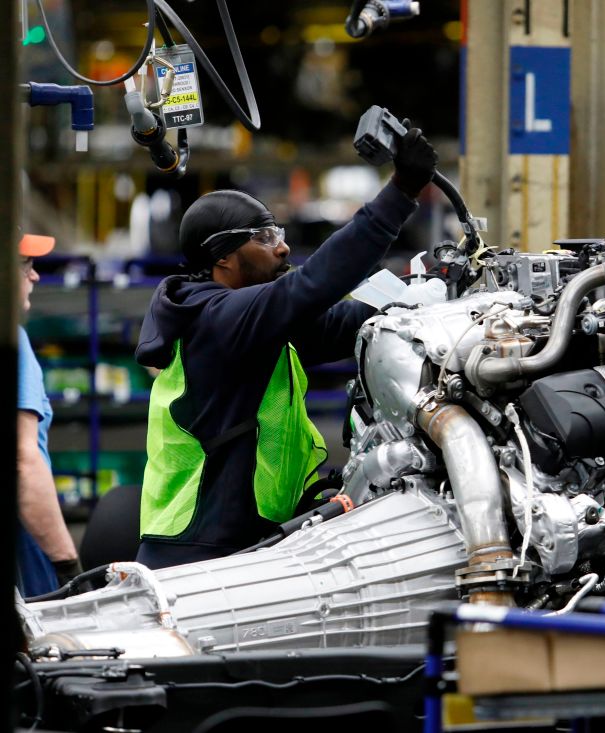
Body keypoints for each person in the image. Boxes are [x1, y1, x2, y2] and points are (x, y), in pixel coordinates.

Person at [135, 124, 438, 569]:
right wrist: (400, 194)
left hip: (242, 538)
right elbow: (312, 286)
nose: (283, 247)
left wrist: (420, 289)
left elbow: (341, 324)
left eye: (277, 232)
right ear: (222, 256)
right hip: (196, 549)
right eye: (264, 238)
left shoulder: (251, 323)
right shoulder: (218, 320)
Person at [17, 233, 83, 597]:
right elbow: (22, 461)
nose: (35, 276)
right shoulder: (11, 342)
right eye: (26, 265)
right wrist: (67, 567)